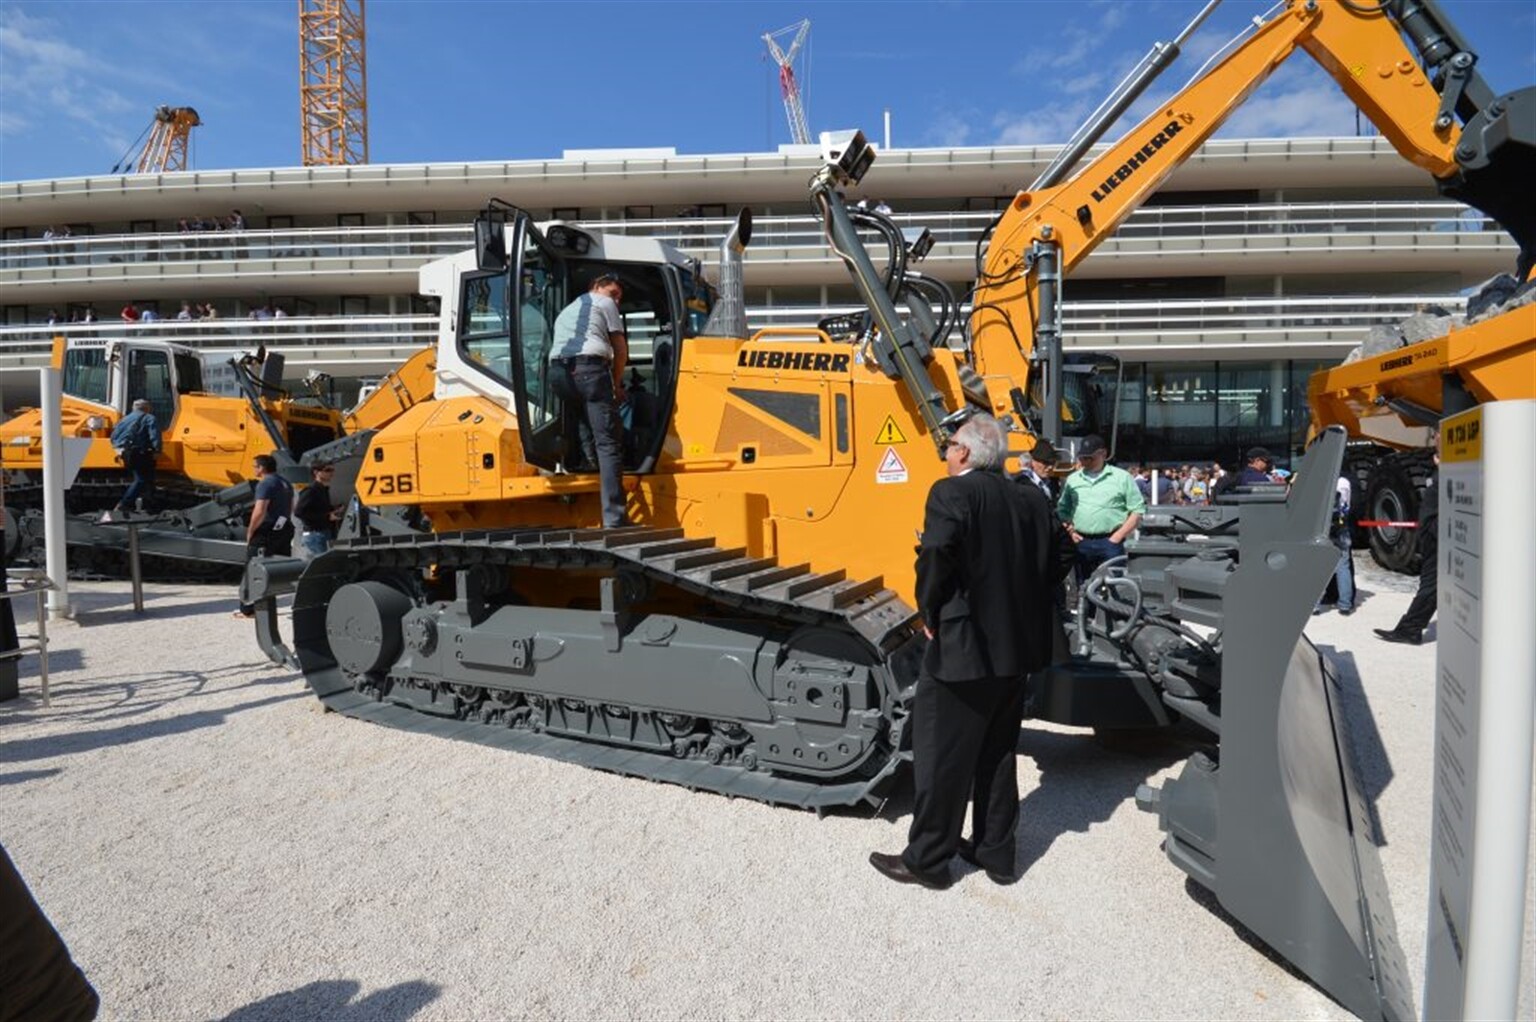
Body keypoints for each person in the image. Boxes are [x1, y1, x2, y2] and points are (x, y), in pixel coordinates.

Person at [869, 413, 1071, 890]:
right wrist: (1027, 600)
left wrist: (931, 612)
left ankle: (928, 860)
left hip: (964, 648)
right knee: (998, 754)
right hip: (1015, 651)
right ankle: (996, 853)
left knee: (941, 756)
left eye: (950, 445)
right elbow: (1063, 554)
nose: (945, 453)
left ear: (964, 453)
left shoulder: (952, 492)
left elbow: (936, 553)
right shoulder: (1028, 497)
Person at [549, 272, 629, 528]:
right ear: (596, 286)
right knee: (609, 443)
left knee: (583, 417)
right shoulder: (603, 303)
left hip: (558, 374)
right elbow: (620, 349)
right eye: (613, 293)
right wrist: (616, 385)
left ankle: (588, 462)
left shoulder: (567, 310)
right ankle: (615, 518)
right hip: (589, 370)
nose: (616, 301)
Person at [1057, 434, 1144, 583]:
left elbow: (1137, 510)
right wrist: (1071, 531)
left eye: (1089, 458)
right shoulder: (1073, 479)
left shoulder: (1122, 478)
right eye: (1082, 458)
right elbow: (1062, 509)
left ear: (1103, 454)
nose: (1085, 462)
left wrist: (1117, 536)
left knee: (1115, 587)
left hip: (1110, 541)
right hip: (1081, 541)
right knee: (1084, 587)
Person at [1376, 445, 1438, 644]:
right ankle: (1410, 628)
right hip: (1432, 535)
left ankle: (1409, 629)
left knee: (1431, 585)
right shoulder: (1440, 471)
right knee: (1431, 584)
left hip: (1438, 535)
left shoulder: (1452, 472)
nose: (1437, 440)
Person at [236, 454, 295, 618]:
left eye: (255, 466)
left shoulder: (265, 484)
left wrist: (250, 531)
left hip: (265, 532)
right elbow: (290, 508)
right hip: (283, 529)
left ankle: (248, 609)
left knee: (252, 569)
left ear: (261, 468)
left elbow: (260, 510)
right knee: (273, 569)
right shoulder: (285, 483)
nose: (254, 469)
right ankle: (268, 605)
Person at [102, 399, 161, 522]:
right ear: (147, 408)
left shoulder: (124, 419)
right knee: (142, 479)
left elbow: (113, 437)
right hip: (140, 453)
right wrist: (157, 450)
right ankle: (125, 504)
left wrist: (120, 449)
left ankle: (146, 504)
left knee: (146, 478)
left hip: (126, 453)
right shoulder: (149, 418)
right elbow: (154, 436)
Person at [1316, 473, 1355, 616]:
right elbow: (1347, 504)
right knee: (1343, 567)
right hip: (1341, 527)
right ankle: (1345, 605)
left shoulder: (1320, 481)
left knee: (1318, 567)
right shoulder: (1344, 482)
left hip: (1323, 528)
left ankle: (1315, 605)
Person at [293, 462, 341, 558]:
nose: (331, 473)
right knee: (323, 566)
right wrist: (327, 517)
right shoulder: (311, 490)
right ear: (316, 472)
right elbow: (299, 512)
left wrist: (334, 509)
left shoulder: (322, 489)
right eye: (327, 470)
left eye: (332, 470)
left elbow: (318, 508)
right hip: (315, 535)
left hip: (322, 533)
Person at [1012, 436, 1057, 501]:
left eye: (1052, 463)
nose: (1050, 467)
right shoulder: (1022, 483)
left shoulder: (1051, 482)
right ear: (1033, 462)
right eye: (1046, 463)